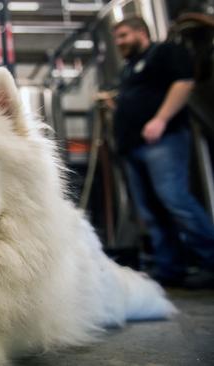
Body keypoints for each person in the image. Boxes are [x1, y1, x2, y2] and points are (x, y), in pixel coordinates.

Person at [112, 17, 214, 287]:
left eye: (123, 36)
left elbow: (184, 83)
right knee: (151, 212)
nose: (118, 42)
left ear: (141, 32)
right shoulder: (130, 68)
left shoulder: (165, 51)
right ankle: (170, 269)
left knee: (176, 201)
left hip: (162, 142)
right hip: (132, 148)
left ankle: (210, 262)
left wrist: (160, 119)